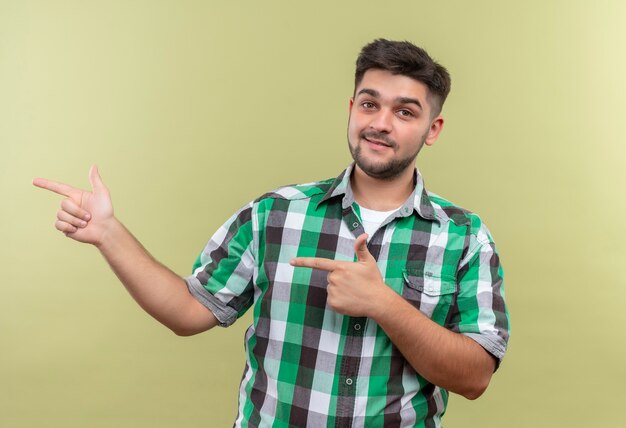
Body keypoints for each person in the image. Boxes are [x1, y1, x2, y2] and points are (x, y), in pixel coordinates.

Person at [33, 39, 510, 427]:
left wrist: (383, 304)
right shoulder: (274, 214)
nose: (380, 123)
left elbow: (474, 378)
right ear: (351, 109)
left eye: (405, 112)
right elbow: (186, 311)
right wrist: (108, 233)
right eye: (370, 104)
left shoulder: (464, 237)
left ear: (433, 128)